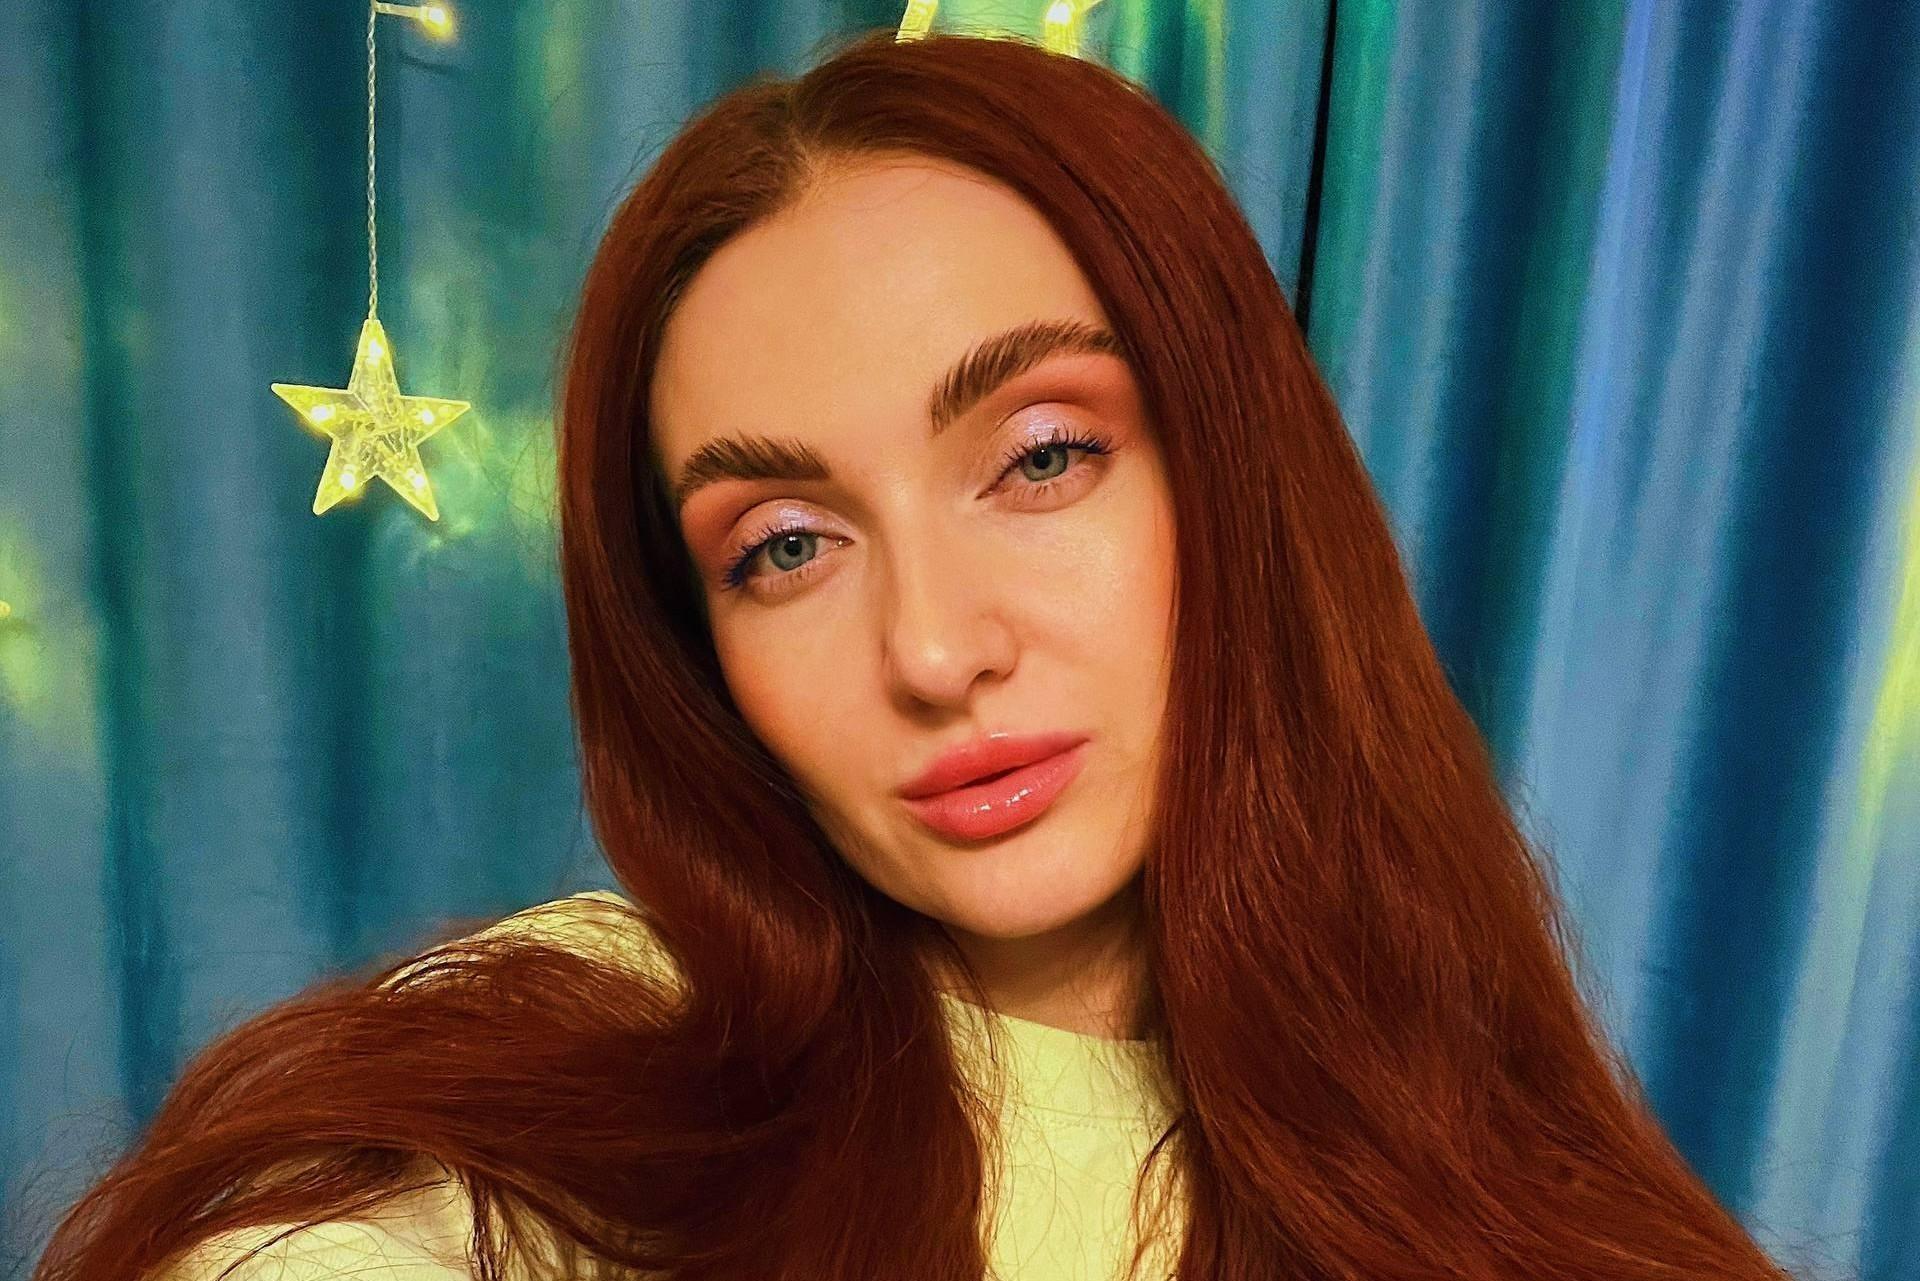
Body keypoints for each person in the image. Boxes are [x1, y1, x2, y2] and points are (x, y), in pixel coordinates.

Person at [35, 26, 1806, 1281]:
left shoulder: (1493, 1143)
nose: (937, 649)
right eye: (784, 547)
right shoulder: (595, 1068)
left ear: (1237, 477)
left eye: (1041, 458)